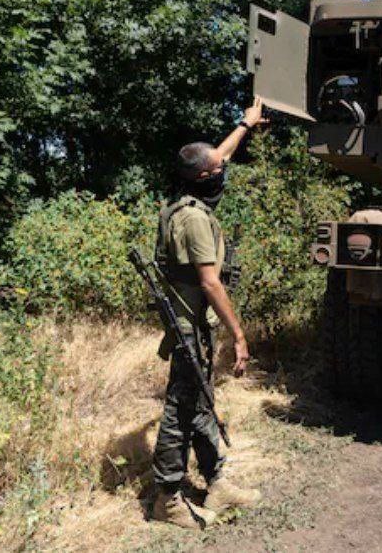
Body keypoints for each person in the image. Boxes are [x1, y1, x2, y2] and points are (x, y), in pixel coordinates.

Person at [150, 96, 268, 529]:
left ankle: (217, 479)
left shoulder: (187, 199)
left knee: (201, 400)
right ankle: (166, 497)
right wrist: (239, 335)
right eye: (218, 170)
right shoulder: (195, 220)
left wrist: (245, 123)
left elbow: (220, 156)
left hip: (194, 323)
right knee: (181, 408)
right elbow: (210, 283)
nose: (225, 171)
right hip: (189, 325)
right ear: (203, 178)